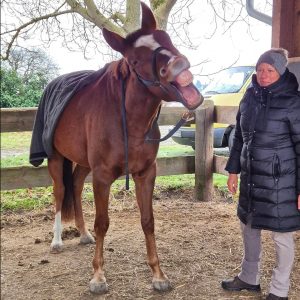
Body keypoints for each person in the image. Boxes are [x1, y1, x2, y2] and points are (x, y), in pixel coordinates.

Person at [221, 48, 300, 300]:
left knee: (282, 236)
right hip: (252, 178)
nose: (263, 75)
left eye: (269, 70)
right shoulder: (249, 97)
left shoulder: (294, 101)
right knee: (249, 227)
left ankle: (279, 289)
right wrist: (233, 170)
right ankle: (248, 277)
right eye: (259, 70)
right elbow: (239, 139)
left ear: (281, 71)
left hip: (282, 181)